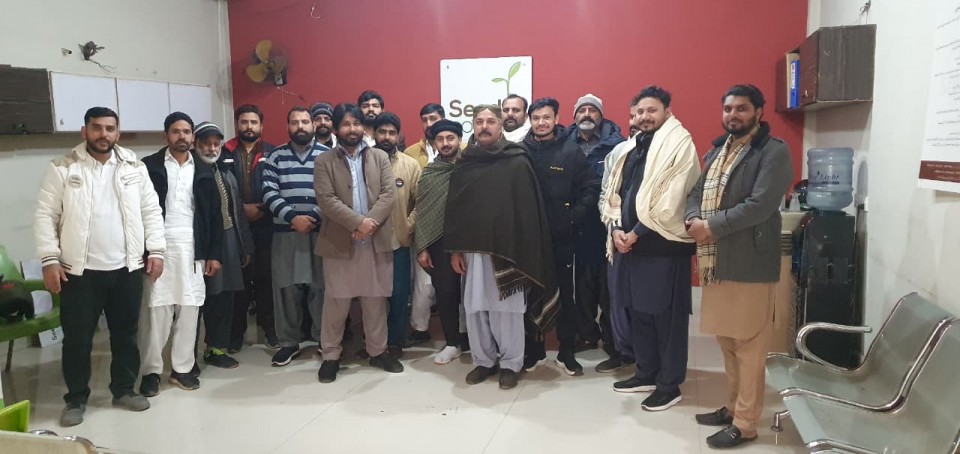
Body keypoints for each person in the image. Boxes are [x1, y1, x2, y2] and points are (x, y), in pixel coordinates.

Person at [35, 106, 165, 427]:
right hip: (78, 272)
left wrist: (156, 250)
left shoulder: (134, 167)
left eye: (109, 128)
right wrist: (49, 259)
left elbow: (151, 210)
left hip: (127, 267)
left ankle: (123, 389)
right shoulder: (63, 167)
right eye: (96, 128)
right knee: (77, 340)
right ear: (85, 132)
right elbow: (45, 215)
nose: (103, 134)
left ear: (117, 133)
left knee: (126, 334)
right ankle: (76, 399)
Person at [686, 84, 794, 449]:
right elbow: (696, 192)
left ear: (759, 112)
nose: (733, 115)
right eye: (728, 108)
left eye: (742, 108)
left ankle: (746, 424)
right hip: (717, 261)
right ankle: (734, 408)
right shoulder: (718, 150)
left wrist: (711, 226)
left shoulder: (773, 151)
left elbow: (761, 204)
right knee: (729, 342)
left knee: (749, 346)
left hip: (749, 260)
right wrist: (692, 218)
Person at [600, 86, 700, 412]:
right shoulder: (635, 147)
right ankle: (646, 373)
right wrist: (616, 229)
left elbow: (673, 199)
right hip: (632, 247)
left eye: (651, 110)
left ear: (667, 112)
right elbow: (616, 193)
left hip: (663, 247)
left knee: (666, 320)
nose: (645, 117)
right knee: (639, 313)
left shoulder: (679, 145)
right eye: (639, 112)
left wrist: (635, 233)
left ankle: (669, 385)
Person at [444, 105, 558, 390]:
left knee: (506, 311)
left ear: (500, 125)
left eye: (490, 121)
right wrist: (456, 250)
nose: (484, 126)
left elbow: (528, 212)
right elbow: (455, 211)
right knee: (475, 308)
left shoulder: (517, 161)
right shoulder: (465, 163)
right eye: (479, 121)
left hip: (509, 249)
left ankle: (510, 364)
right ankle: (483, 361)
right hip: (473, 251)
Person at [314, 103, 404, 383]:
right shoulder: (324, 161)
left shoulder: (379, 157)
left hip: (375, 240)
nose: (351, 129)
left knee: (375, 299)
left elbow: (389, 194)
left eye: (356, 124)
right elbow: (326, 200)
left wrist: (369, 223)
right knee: (336, 302)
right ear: (336, 129)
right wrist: (357, 223)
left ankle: (378, 351)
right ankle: (331, 356)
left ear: (363, 127)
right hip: (340, 241)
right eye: (345, 124)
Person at [139, 112, 222, 395]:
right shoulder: (149, 167)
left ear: (192, 136)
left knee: (189, 309)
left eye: (186, 132)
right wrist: (145, 250)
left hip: (193, 247)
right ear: (166, 136)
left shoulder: (203, 169)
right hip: (158, 247)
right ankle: (151, 371)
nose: (182, 136)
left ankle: (182, 369)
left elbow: (215, 215)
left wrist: (214, 253)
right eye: (176, 131)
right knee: (156, 313)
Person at [520, 97, 599, 376]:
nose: (541, 122)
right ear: (530, 120)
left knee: (567, 295)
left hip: (562, 238)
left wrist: (572, 218)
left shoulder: (570, 151)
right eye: (536, 118)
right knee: (530, 295)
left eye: (546, 117)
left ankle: (567, 351)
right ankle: (535, 350)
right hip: (528, 240)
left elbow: (591, 188)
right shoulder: (519, 152)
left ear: (556, 119)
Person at [563, 93, 628, 370]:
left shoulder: (619, 145)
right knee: (581, 284)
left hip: (607, 226)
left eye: (592, 110)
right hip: (576, 224)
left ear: (601, 115)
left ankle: (613, 340)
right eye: (582, 110)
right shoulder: (564, 143)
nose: (587, 114)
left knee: (609, 287)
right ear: (574, 116)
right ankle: (587, 334)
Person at [261, 106, 329, 367]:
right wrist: (293, 218)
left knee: (321, 288)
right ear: (288, 126)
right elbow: (269, 192)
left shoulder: (327, 155)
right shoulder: (275, 157)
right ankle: (289, 343)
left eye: (305, 121)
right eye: (294, 122)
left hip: (321, 233)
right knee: (286, 290)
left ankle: (324, 340)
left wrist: (312, 217)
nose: (300, 126)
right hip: (285, 233)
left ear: (313, 125)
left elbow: (333, 192)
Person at [195, 122, 253, 370]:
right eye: (206, 144)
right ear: (196, 145)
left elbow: (236, 210)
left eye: (215, 144)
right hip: (201, 244)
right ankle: (187, 357)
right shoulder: (192, 172)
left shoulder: (224, 171)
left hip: (229, 239)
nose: (211, 148)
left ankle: (216, 348)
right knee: (198, 300)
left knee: (225, 296)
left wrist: (244, 245)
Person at [221, 104, 278, 351]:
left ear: (261, 126)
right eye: (244, 122)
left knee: (266, 280)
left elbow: (278, 185)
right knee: (239, 284)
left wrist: (262, 208)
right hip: (235, 227)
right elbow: (220, 187)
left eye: (254, 122)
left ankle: (271, 330)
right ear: (237, 124)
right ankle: (236, 335)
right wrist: (241, 209)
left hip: (266, 224)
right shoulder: (224, 152)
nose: (249, 126)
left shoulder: (272, 152)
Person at [414, 119, 469, 364]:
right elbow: (423, 211)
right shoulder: (430, 173)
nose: (446, 143)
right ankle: (452, 343)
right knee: (446, 293)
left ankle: (478, 339)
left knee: (474, 293)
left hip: (472, 238)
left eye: (450, 138)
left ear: (459, 140)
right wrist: (423, 246)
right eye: (440, 139)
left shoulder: (472, 168)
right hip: (440, 241)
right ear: (434, 143)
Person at [373, 112, 421, 357]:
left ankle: (395, 342)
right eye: (382, 132)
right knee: (373, 296)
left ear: (398, 136)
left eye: (391, 133)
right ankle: (374, 343)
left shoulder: (410, 165)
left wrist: (407, 225)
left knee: (400, 294)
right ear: (374, 133)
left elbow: (421, 202)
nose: (386, 137)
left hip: (399, 241)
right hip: (368, 243)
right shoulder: (362, 162)